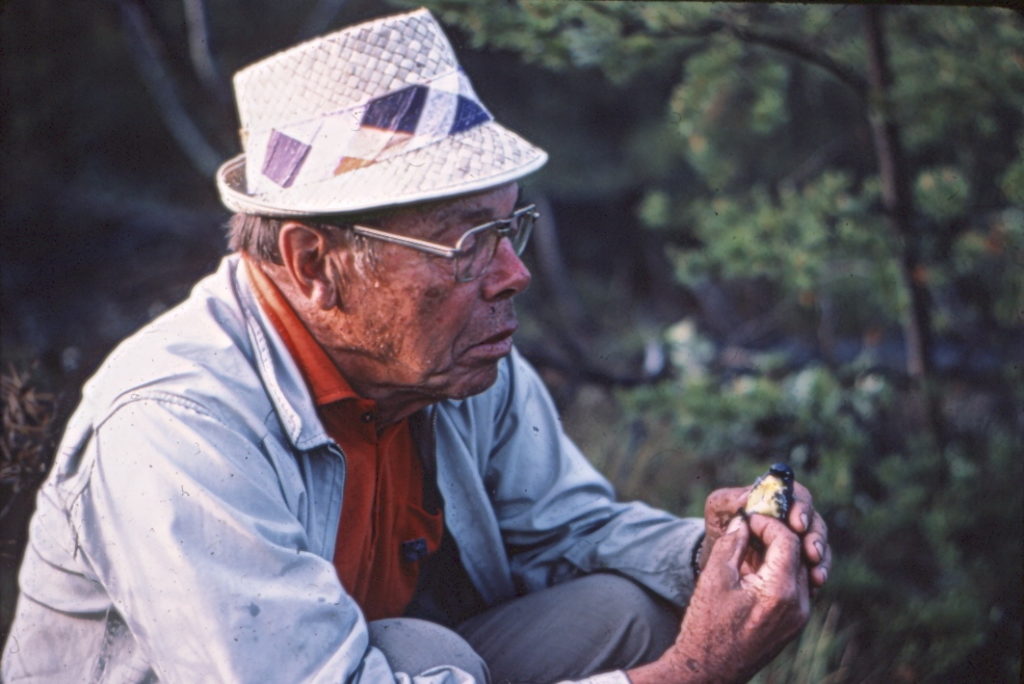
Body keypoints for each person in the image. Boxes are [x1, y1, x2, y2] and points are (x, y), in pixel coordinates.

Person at [2, 9, 830, 683]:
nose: (513, 275)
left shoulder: (454, 362)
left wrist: (713, 550)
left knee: (638, 610)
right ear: (313, 264)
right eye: (466, 241)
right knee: (428, 658)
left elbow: (567, 528)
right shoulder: (176, 429)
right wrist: (687, 676)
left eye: (511, 227)